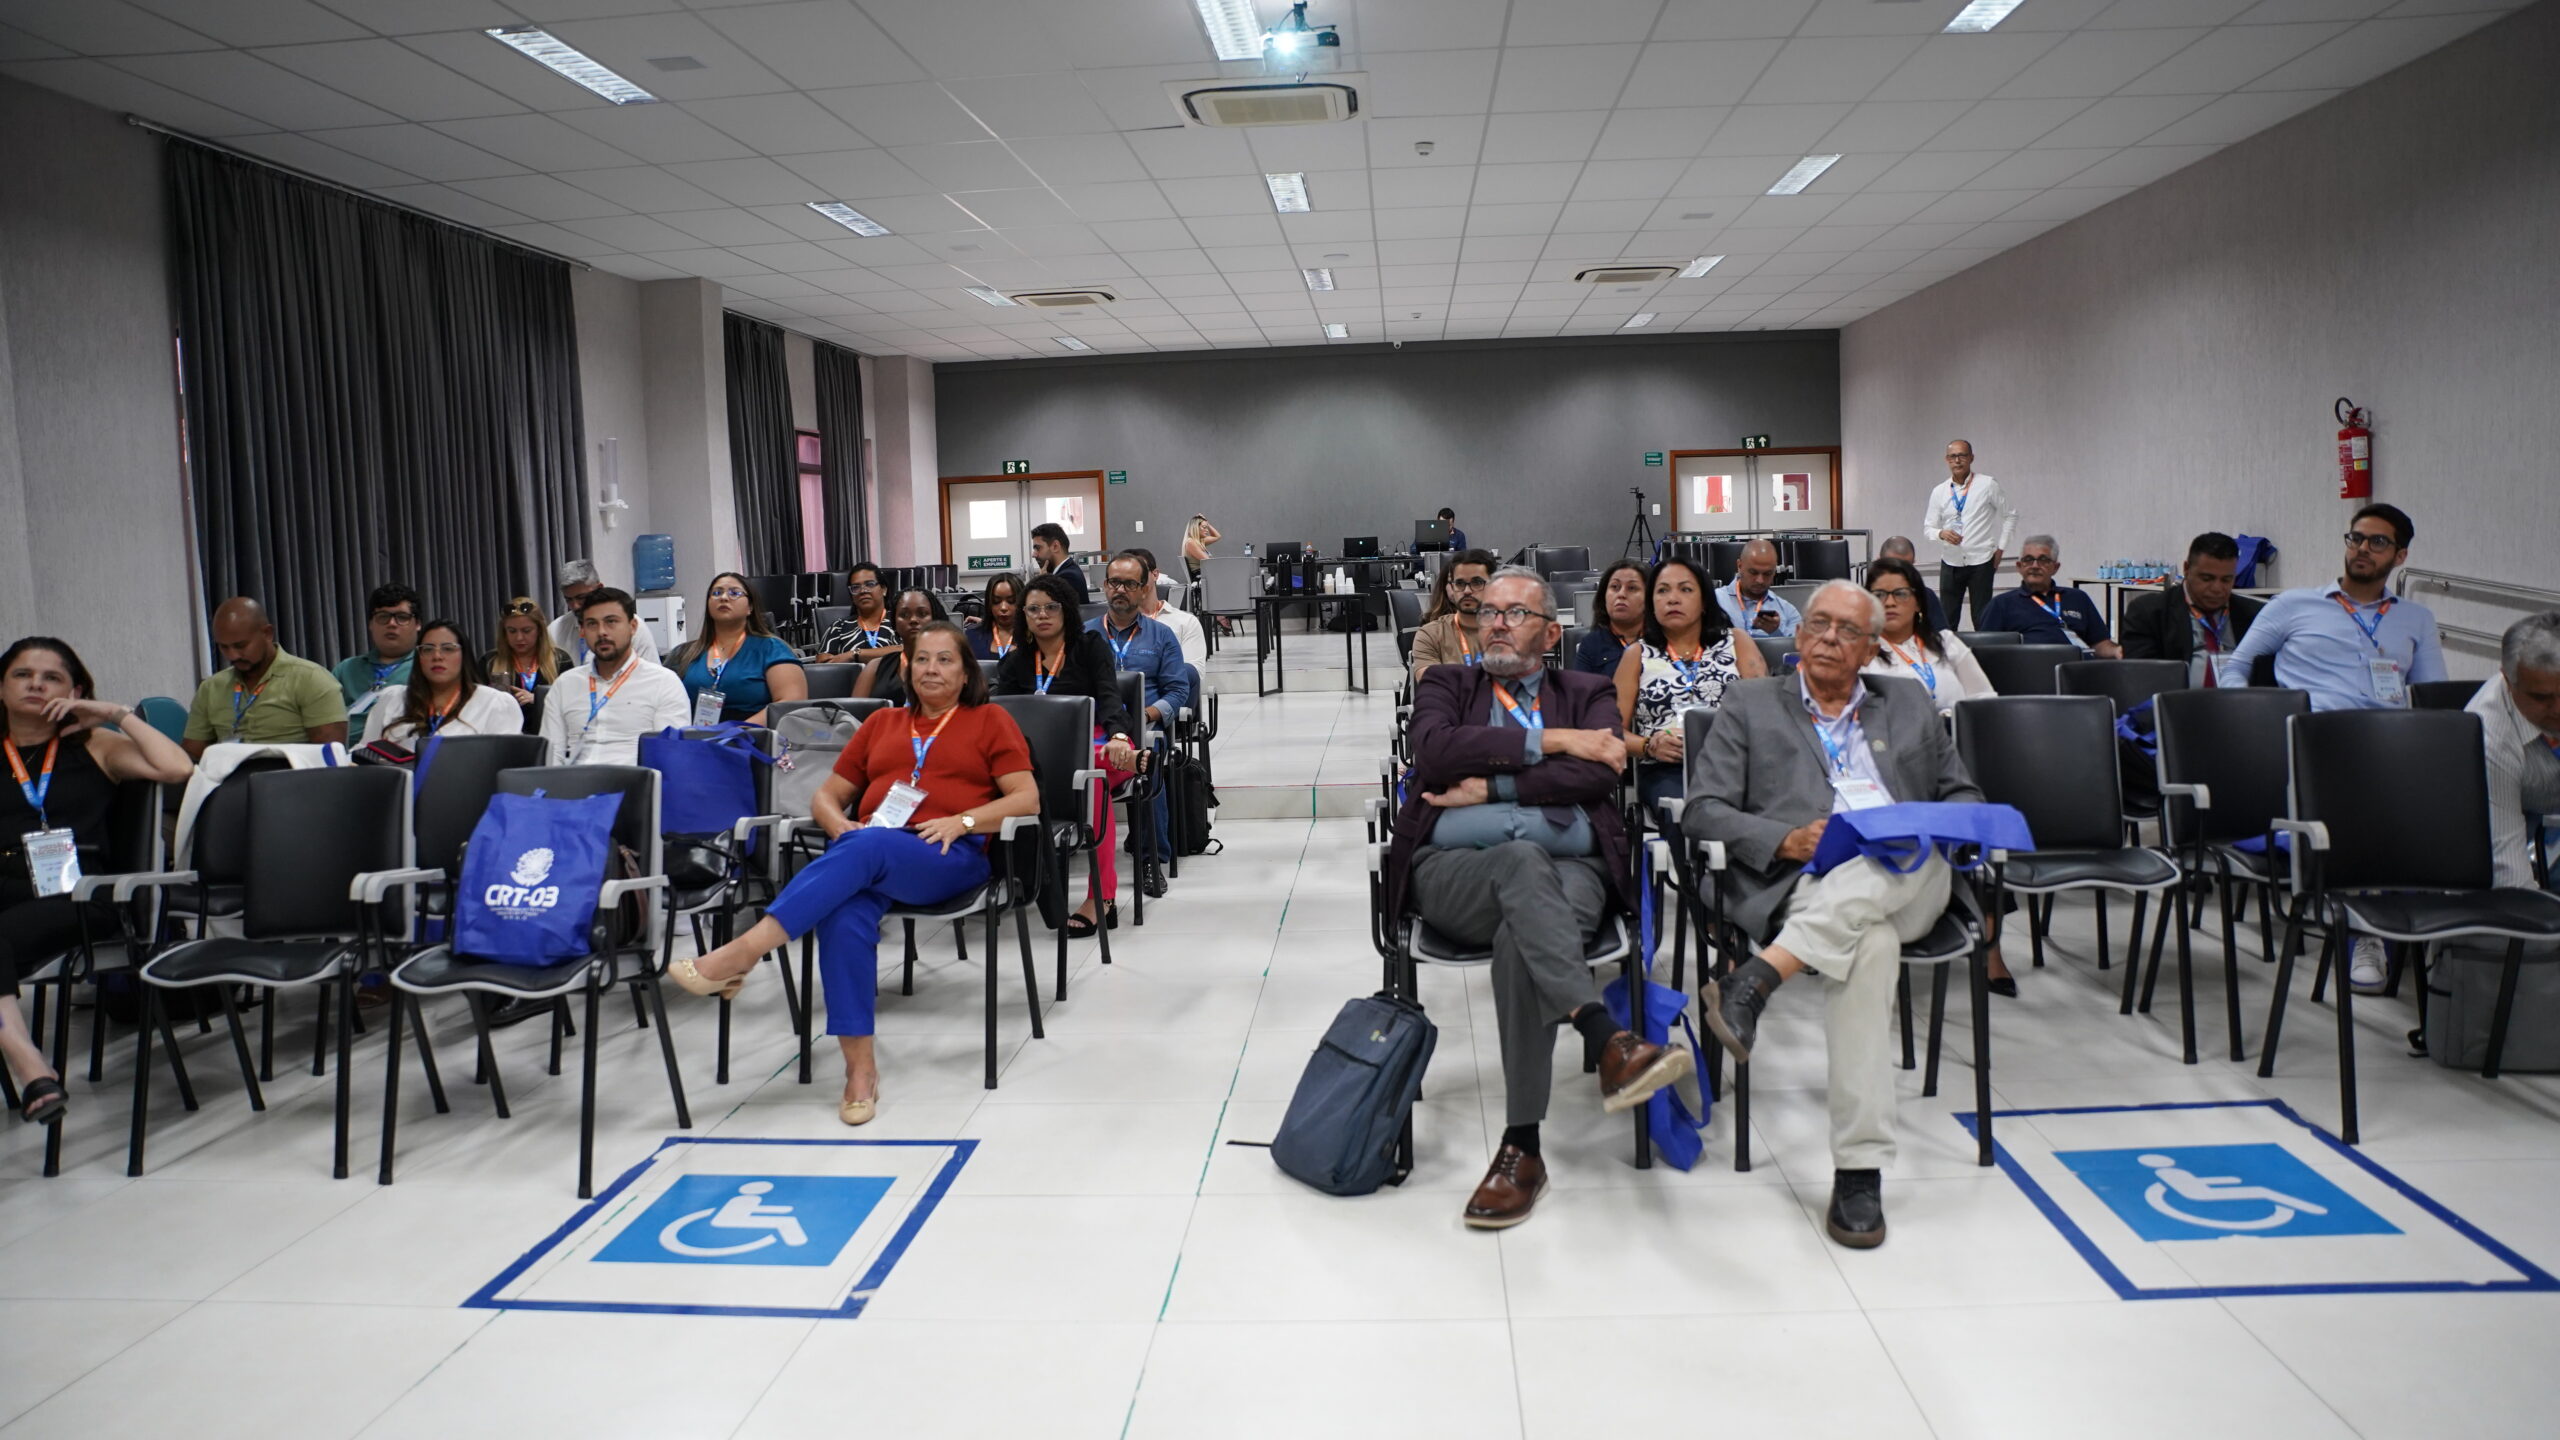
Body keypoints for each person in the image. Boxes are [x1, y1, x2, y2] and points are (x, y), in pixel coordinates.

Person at [1382, 572, 1691, 1229]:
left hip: (1574, 873)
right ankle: (1605, 1036)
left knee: (1519, 936)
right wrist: (1553, 741)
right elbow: (1434, 753)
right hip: (1454, 874)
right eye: (1488, 611)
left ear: (1551, 634)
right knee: (1521, 861)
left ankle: (1522, 1148)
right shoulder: (1448, 685)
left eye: (1515, 613)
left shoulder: (1585, 691)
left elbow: (1599, 770)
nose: (1496, 622)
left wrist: (1492, 789)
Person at [1687, 581, 1987, 1249]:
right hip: (1807, 882)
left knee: (1899, 852)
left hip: (1915, 879)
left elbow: (1962, 795)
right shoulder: (1749, 704)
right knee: (1868, 947)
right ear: (1798, 636)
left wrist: (1917, 824)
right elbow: (1703, 809)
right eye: (1818, 623)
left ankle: (1758, 978)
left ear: (1871, 648)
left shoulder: (1907, 701)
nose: (1828, 637)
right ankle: (1859, 1168)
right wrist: (1786, 840)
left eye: (1847, 630)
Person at [665, 622, 1039, 1126]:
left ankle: (742, 952)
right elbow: (826, 796)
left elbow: (1026, 798)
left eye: (945, 659)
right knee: (843, 916)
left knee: (866, 848)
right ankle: (859, 1071)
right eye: (921, 659)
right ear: (906, 669)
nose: (931, 668)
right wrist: (838, 825)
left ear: (966, 672)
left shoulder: (989, 719)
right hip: (869, 850)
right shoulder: (882, 724)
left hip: (947, 854)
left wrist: (964, 821)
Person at [2227, 504, 2447, 990]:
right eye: (2356, 538)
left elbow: (2434, 698)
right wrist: (2253, 728)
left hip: (2389, 748)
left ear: (2401, 555)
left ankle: (2444, 929)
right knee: (2376, 800)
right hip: (2313, 746)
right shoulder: (2293, 605)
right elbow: (2236, 668)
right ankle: (2367, 932)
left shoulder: (2416, 618)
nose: (2363, 549)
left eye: (2378, 542)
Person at [1, 637, 195, 1124]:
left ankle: (27, 1063)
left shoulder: (95, 745)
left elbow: (177, 768)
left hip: (81, 896)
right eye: (22, 674)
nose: (35, 684)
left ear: (75, 692)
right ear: (1, 688)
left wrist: (113, 714)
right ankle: (30, 1065)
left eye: (51, 677)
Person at [993, 574, 1136, 936]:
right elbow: (995, 712)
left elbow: (1109, 696)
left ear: (1066, 610)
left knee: (1091, 778)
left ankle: (1101, 897)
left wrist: (1120, 736)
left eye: (1051, 607)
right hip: (1038, 761)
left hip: (1105, 748)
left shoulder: (1089, 646)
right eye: (1033, 609)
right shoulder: (1017, 661)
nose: (1042, 615)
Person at [1614, 556, 1767, 813]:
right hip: (1667, 768)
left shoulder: (1736, 642)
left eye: (1685, 590)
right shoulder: (1637, 655)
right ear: (1651, 604)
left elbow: (1766, 714)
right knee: (1690, 808)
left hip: (1733, 761)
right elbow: (1611, 732)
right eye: (1663, 591)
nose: (1673, 599)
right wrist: (1648, 746)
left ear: (1705, 601)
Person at [1093, 552, 1196, 896]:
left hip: (1145, 728)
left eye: (1129, 584)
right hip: (1097, 731)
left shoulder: (1161, 635)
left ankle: (1151, 859)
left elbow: (1178, 690)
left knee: (1150, 755)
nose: (1120, 590)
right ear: (1104, 586)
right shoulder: (1085, 635)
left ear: (1143, 588)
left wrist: (1147, 715)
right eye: (1114, 583)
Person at [536, 587, 691, 766]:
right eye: (592, 624)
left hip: (635, 780)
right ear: (582, 631)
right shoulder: (565, 684)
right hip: (574, 779)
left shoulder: (664, 683)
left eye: (611, 622)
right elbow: (551, 755)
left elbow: (670, 757)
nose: (602, 632)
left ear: (633, 627)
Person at [181, 598, 349, 759]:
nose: (232, 655)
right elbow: (193, 754)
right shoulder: (211, 688)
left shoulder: (312, 679)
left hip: (288, 775)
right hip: (227, 775)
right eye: (224, 647)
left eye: (241, 645)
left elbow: (329, 757)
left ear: (267, 633)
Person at [2471, 613, 2560, 891]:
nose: (2558, 709)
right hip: (2515, 817)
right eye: (2542, 698)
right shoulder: (2487, 736)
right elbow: (2510, 879)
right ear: (2509, 683)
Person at [2121, 532, 2266, 687]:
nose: (2217, 588)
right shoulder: (2148, 613)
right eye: (2207, 579)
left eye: (2226, 580)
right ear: (2186, 569)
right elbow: (2142, 681)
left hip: (2240, 700)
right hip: (2175, 700)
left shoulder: (2254, 615)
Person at [666, 572, 806, 725]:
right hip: (695, 736)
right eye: (716, 593)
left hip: (753, 736)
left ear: (750, 607)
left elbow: (790, 704)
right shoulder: (683, 653)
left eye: (734, 593)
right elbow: (662, 700)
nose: (724, 598)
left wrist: (736, 732)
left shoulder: (772, 649)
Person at [1863, 557, 1994, 715]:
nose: (1889, 602)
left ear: (1918, 603)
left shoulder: (1946, 642)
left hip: (1958, 728)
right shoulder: (1861, 653)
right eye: (1879, 595)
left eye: (1900, 594)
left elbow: (1985, 698)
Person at [361, 621, 522, 744]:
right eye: (428, 649)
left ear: (464, 655)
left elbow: (506, 764)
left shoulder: (494, 703)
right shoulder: (393, 698)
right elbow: (363, 752)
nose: (437, 656)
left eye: (448, 648)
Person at [1920, 439, 2017, 629]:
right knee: (1946, 622)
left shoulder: (1987, 484)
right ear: (1946, 460)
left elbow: (2010, 516)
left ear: (1971, 458)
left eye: (1962, 455)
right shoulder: (1939, 491)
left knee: (1982, 620)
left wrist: (2001, 549)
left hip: (1981, 562)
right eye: (1952, 456)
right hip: (1951, 562)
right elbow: (1928, 528)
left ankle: (1984, 650)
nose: (1957, 461)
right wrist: (1941, 533)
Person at [1979, 535, 2122, 657]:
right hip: (2029, 673)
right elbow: (1986, 653)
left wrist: (2117, 651)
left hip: (2079, 671)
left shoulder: (2078, 598)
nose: (2035, 566)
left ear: (2055, 567)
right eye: (2028, 560)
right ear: (2019, 566)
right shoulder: (2001, 604)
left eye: (2043, 560)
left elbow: (2100, 643)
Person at [331, 583, 421, 720]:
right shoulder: (345, 670)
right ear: (370, 624)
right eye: (383, 616)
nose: (392, 624)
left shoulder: (427, 667)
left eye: (402, 617)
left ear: (418, 624)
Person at [1409, 549, 1497, 685]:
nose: (1467, 591)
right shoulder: (1431, 634)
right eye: (1460, 583)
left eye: (1477, 582)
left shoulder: (1513, 632)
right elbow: (1433, 685)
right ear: (1451, 586)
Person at [550, 559, 661, 666]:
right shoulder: (555, 630)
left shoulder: (631, 626)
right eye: (569, 600)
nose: (575, 606)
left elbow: (652, 674)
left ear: (600, 588)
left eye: (581, 597)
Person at [853, 588, 948, 705]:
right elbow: (855, 712)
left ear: (935, 619)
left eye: (922, 614)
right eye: (904, 615)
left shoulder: (953, 665)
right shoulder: (875, 667)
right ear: (894, 622)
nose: (913, 620)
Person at [488, 596, 565, 723]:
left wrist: (539, 699)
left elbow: (572, 702)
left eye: (526, 631)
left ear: (540, 630)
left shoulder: (561, 659)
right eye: (512, 631)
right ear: (504, 633)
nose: (519, 638)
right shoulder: (489, 662)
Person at [1127, 548, 1208, 668]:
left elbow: (1192, 674)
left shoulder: (1185, 623)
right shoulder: (1110, 625)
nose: (1133, 580)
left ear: (1155, 574)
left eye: (1139, 573)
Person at [1571, 560, 1649, 675]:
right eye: (1615, 587)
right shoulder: (1591, 645)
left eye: (1632, 588)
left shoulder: (1664, 641)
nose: (1621, 594)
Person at [815, 562, 900, 663]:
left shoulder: (898, 621)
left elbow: (908, 649)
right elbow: (822, 662)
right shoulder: (839, 627)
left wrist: (854, 654)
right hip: (850, 674)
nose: (863, 591)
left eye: (870, 584)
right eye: (856, 587)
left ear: (884, 589)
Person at [1717, 539, 1800, 638]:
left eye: (1767, 574)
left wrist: (1776, 632)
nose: (1760, 580)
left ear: (1774, 572)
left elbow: (1797, 645)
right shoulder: (1715, 601)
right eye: (1753, 572)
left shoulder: (1788, 612)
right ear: (1739, 566)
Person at [1875, 537, 1947, 631]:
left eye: (1906, 567)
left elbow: (1942, 635)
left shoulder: (1925, 596)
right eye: (1893, 567)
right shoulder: (1864, 598)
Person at [968, 573, 1024, 664]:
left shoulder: (1033, 637)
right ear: (989, 603)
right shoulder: (972, 636)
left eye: (1011, 601)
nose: (1003, 607)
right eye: (996, 601)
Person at [1031, 522, 1090, 602]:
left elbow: (1046, 607)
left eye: (1038, 548)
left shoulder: (1068, 577)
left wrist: (1041, 582)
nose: (1033, 554)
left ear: (1055, 546)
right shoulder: (1065, 572)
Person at [1181, 514, 1222, 585]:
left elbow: (1217, 536)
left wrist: (1207, 523)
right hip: (1200, 579)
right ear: (1196, 528)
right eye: (1204, 527)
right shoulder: (1190, 542)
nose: (1207, 530)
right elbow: (1208, 561)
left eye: (1207, 528)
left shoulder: (1199, 541)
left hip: (1205, 575)